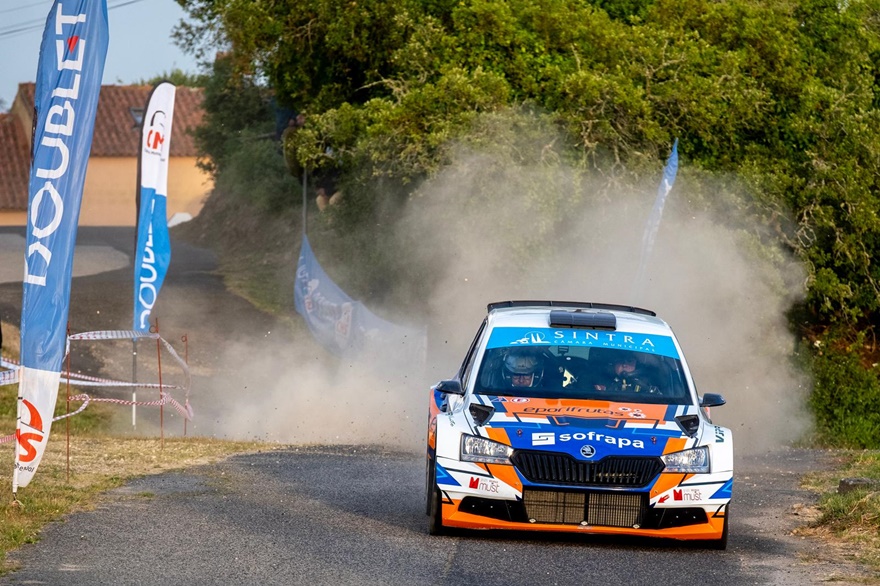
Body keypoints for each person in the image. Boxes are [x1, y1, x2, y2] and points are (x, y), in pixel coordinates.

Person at [595, 351, 661, 394]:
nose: (624, 365)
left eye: (629, 361)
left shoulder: (646, 383)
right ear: (614, 364)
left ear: (637, 364)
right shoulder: (603, 379)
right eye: (620, 361)